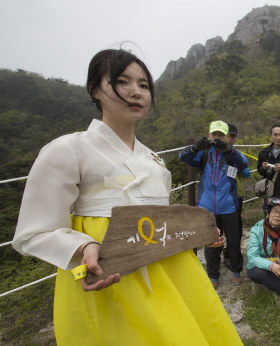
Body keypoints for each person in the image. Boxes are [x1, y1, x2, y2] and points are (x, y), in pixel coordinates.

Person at [12, 49, 241, 344]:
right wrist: (84, 246)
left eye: (144, 85)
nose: (136, 92)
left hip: (175, 272)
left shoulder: (155, 161)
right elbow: (33, 232)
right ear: (95, 89)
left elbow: (164, 223)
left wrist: (196, 236)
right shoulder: (66, 150)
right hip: (112, 279)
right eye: (123, 82)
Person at [180, 120, 248, 287]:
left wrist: (230, 151)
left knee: (233, 239)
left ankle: (236, 269)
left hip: (229, 205)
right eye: (214, 134)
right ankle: (212, 273)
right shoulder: (202, 154)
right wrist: (194, 148)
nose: (217, 138)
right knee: (211, 242)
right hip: (207, 207)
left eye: (221, 135)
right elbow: (183, 157)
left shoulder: (231, 154)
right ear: (209, 134)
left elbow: (243, 165)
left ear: (226, 137)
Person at [223, 123, 251, 268]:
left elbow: (246, 173)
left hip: (235, 196)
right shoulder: (213, 153)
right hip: (217, 197)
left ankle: (230, 254)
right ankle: (219, 255)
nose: (230, 138)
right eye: (227, 135)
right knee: (218, 228)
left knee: (235, 228)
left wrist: (237, 164)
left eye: (233, 136)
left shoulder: (237, 154)